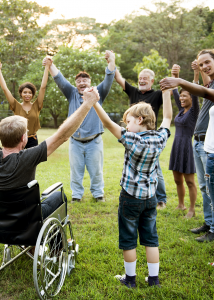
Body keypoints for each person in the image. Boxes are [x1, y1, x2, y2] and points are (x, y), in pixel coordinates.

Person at [0, 71, 102, 218]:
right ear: (24, 139)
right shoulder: (29, 157)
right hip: (27, 219)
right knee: (58, 197)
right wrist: (87, 104)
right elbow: (62, 135)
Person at [91, 88, 172, 287]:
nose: (126, 125)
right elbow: (168, 117)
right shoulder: (160, 138)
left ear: (141, 120)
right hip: (150, 199)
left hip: (130, 198)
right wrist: (168, 93)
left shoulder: (132, 139)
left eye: (129, 121)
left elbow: (107, 123)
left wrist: (94, 103)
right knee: (151, 238)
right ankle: (154, 280)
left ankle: (130, 280)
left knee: (128, 239)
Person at [46, 50, 116, 203]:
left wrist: (111, 60)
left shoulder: (98, 93)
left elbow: (109, 77)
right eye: (79, 81)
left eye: (85, 80)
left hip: (94, 141)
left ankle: (98, 194)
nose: (82, 83)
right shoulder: (71, 93)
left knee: (96, 170)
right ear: (76, 84)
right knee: (75, 171)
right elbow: (59, 79)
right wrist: (51, 64)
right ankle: (77, 196)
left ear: (90, 82)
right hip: (75, 142)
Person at [160, 49, 214, 242]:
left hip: (202, 144)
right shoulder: (184, 107)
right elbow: (186, 91)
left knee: (205, 186)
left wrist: (187, 77)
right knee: (203, 186)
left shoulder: (200, 102)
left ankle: (208, 224)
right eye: (201, 64)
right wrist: (178, 77)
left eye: (208, 63)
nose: (183, 98)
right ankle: (208, 223)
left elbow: (200, 90)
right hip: (194, 144)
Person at [114, 67, 167, 209]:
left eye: (145, 78)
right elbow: (119, 78)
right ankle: (138, 194)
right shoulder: (133, 91)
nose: (141, 80)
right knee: (134, 167)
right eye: (140, 78)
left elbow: (169, 101)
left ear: (152, 81)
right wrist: (111, 63)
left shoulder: (156, 94)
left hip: (150, 140)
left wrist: (173, 81)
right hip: (133, 138)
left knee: (156, 170)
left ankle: (160, 199)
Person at [0, 58, 51, 148]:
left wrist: (47, 67)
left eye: (30, 92)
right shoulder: (16, 105)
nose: (27, 94)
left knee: (32, 162)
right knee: (18, 162)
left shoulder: (37, 105)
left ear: (33, 95)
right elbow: (5, 89)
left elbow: (43, 87)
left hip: (32, 140)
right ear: (21, 94)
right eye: (25, 92)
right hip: (18, 139)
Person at [169, 64, 199, 218]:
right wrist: (175, 75)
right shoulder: (181, 110)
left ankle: (192, 209)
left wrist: (195, 74)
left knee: (190, 181)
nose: (181, 98)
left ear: (191, 98)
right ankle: (181, 205)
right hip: (176, 146)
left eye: (185, 95)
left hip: (187, 146)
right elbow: (174, 91)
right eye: (181, 96)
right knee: (177, 179)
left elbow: (194, 91)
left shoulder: (194, 111)